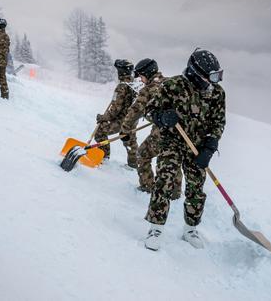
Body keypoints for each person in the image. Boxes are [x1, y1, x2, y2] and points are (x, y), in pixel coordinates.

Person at [143, 49, 226, 251]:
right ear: (194, 72)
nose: (212, 82)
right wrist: (162, 118)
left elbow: (218, 121)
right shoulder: (173, 86)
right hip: (172, 141)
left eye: (216, 77)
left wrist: (210, 145)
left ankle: (190, 229)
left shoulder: (216, 93)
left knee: (196, 187)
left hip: (197, 146)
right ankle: (156, 227)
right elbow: (149, 111)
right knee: (164, 180)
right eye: (209, 77)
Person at [120, 59, 183, 197]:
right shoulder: (169, 83)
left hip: (161, 133)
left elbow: (134, 112)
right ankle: (174, 192)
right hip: (181, 133)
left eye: (141, 77)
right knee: (173, 158)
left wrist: (125, 130)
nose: (141, 80)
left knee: (142, 154)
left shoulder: (148, 90)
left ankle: (147, 186)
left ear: (147, 74)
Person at [94, 59, 139, 166]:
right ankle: (133, 164)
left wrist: (103, 117)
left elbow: (115, 109)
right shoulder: (134, 84)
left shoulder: (122, 87)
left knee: (100, 132)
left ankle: (103, 157)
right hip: (132, 119)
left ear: (121, 72)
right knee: (130, 140)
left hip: (122, 120)